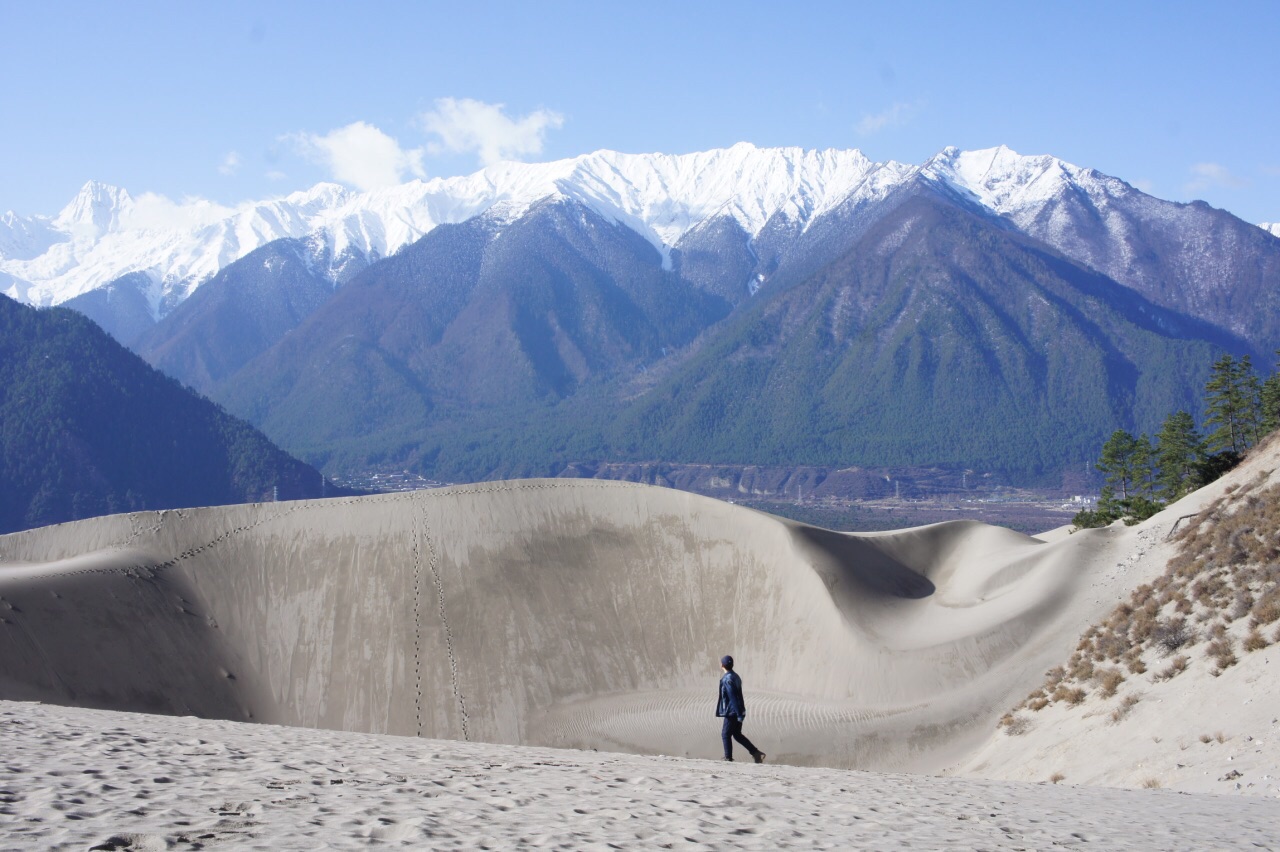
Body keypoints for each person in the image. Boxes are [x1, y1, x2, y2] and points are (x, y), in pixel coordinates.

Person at [715, 655, 765, 763]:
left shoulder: (727, 679)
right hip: (739, 709)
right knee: (737, 734)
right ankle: (755, 753)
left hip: (732, 711)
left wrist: (737, 713)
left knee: (725, 734)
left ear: (722, 665)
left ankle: (728, 758)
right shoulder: (735, 676)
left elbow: (732, 696)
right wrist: (740, 712)